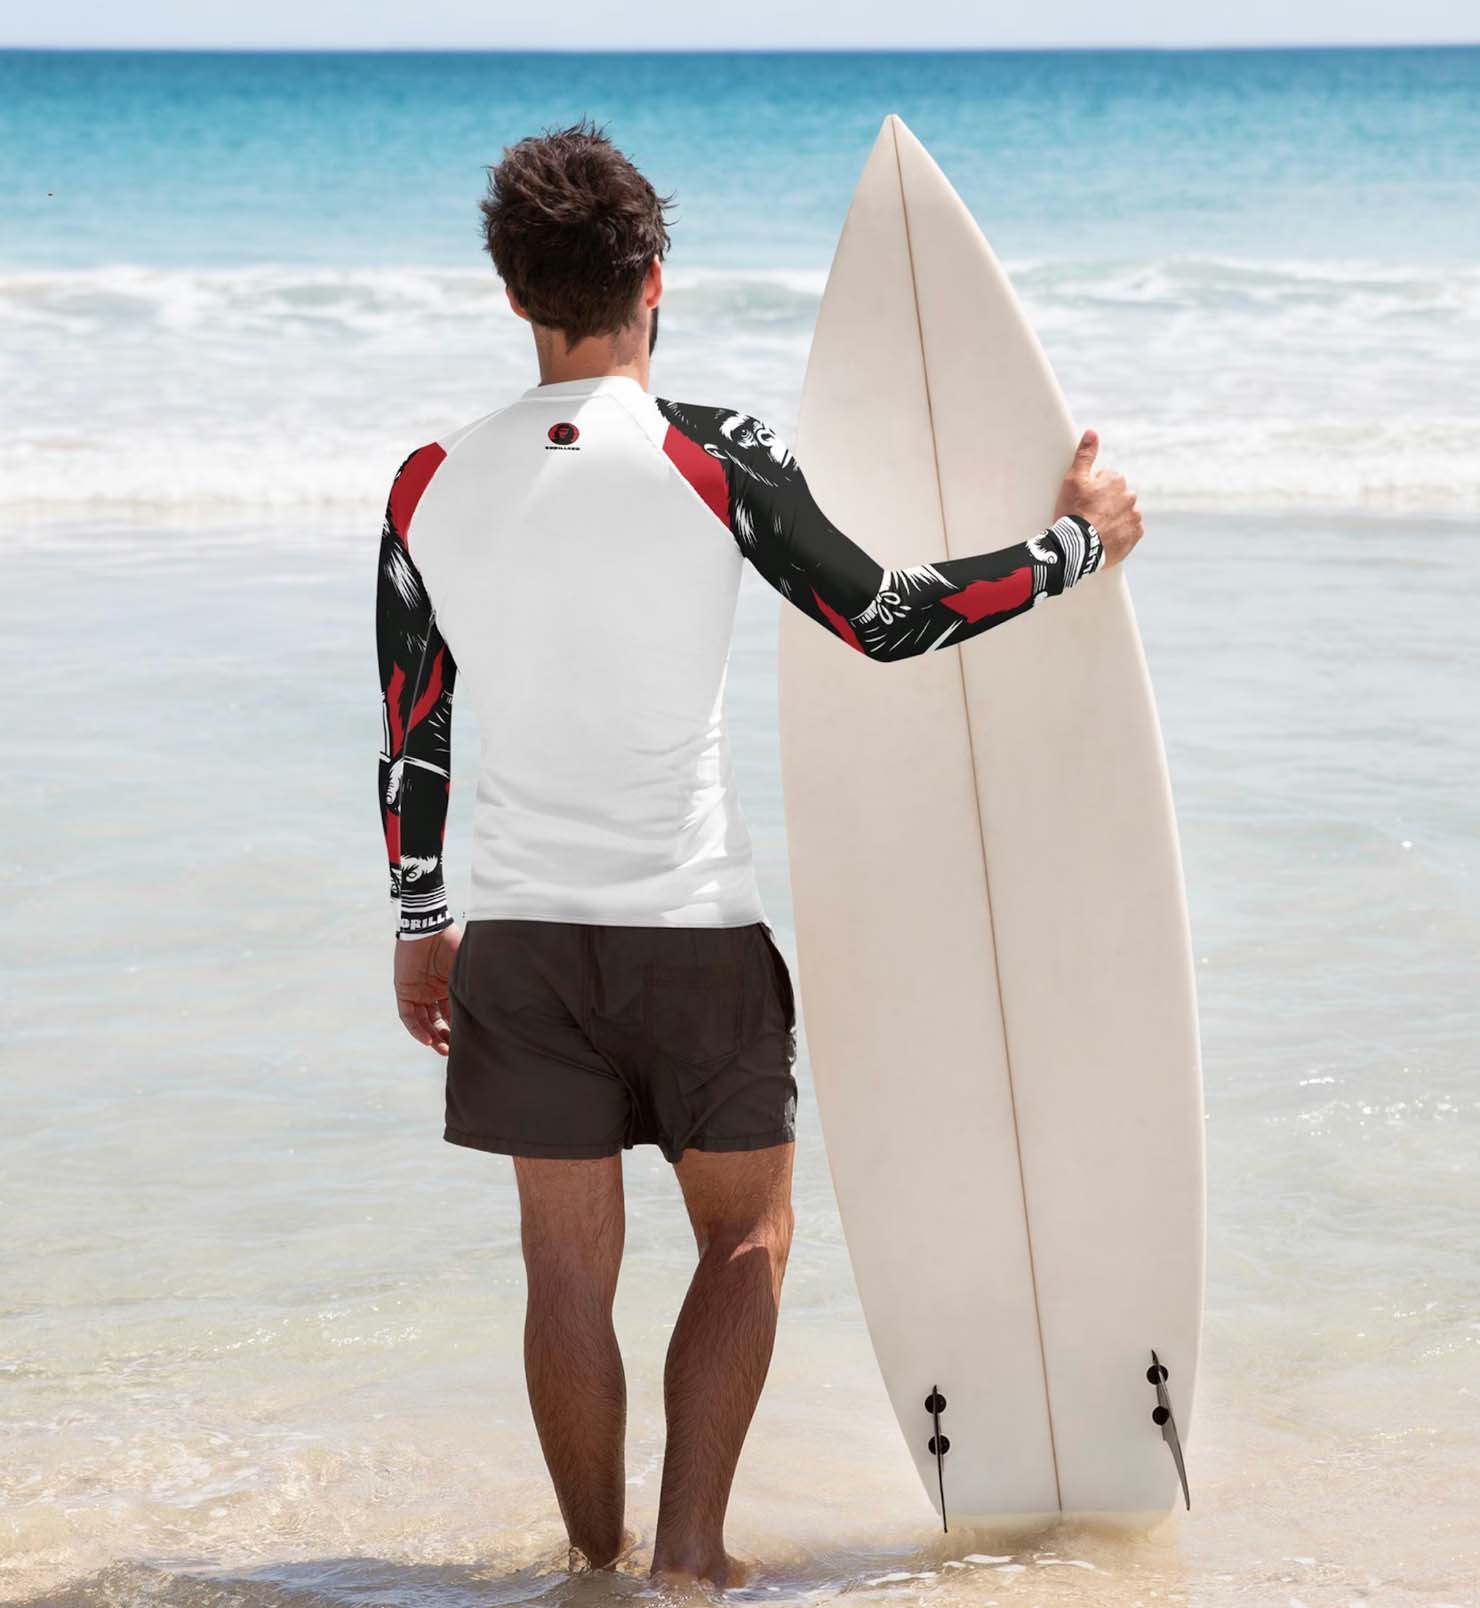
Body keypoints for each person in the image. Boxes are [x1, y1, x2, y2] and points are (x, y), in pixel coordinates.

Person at [374, 117, 1143, 1587]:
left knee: (563, 1271)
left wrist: (422, 924)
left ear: (512, 292)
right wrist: (1075, 546)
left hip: (523, 949)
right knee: (747, 1244)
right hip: (694, 938)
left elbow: (414, 728)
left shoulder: (426, 484)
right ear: (653, 276)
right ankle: (690, 1558)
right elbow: (890, 617)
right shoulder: (709, 453)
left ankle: (590, 1564)